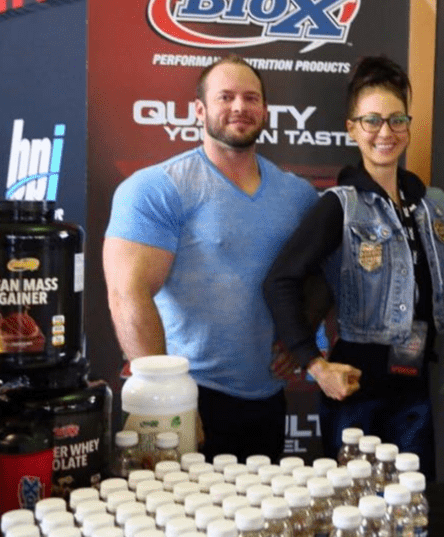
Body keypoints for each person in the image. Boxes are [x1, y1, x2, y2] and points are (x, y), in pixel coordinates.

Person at [263, 56, 444, 481]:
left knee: (410, 508)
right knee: (356, 511)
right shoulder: (339, 206)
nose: (385, 132)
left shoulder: (433, 203)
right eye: (372, 120)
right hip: (355, 390)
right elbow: (280, 280)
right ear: (352, 128)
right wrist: (314, 364)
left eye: (396, 120)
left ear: (408, 125)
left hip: (416, 386)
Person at [103, 54, 319, 462]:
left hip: (269, 398)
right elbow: (126, 294)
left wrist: (301, 336)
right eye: (226, 97)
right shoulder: (156, 188)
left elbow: (320, 275)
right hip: (191, 394)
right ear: (200, 110)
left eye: (251, 98)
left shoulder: (298, 196)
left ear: (266, 111)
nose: (240, 107)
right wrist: (169, 403)